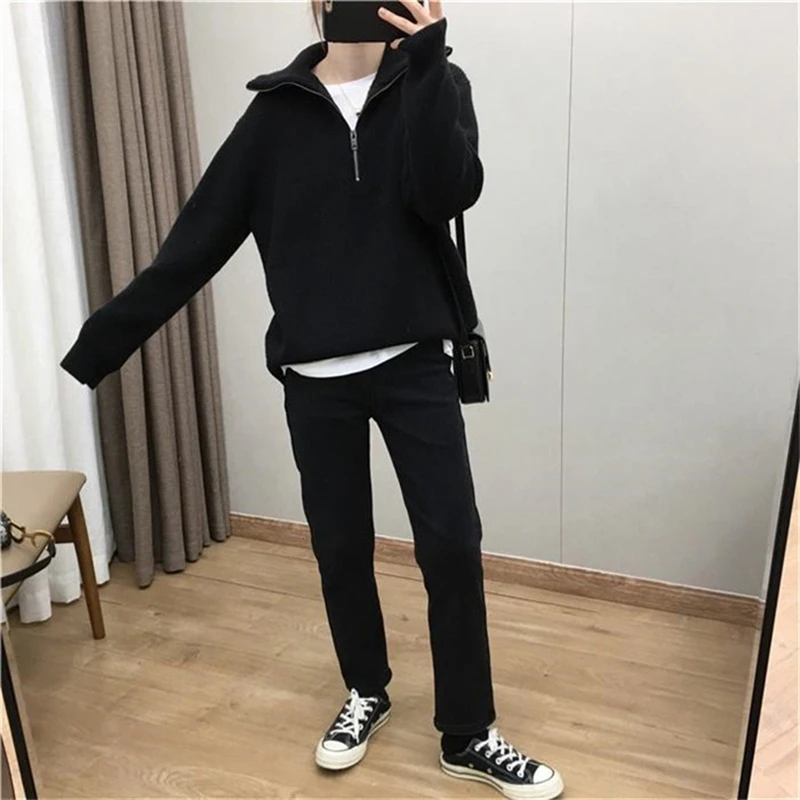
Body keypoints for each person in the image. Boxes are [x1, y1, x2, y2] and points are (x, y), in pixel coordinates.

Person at [60, 1, 564, 797]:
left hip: (414, 366)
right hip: (315, 380)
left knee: (451, 545)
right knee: (340, 547)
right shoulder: (273, 116)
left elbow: (449, 193)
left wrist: (428, 64)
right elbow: (194, 244)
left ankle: (468, 732)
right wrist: (93, 352)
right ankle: (366, 689)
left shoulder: (436, 81)